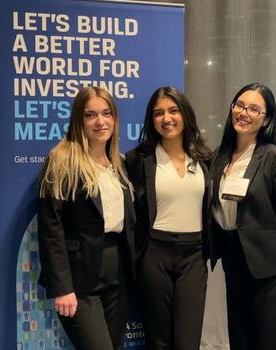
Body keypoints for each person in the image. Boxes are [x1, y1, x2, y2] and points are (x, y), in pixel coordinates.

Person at [38, 86, 135, 350]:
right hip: (78, 280)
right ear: (79, 120)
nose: (100, 121)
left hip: (118, 276)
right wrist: (62, 287)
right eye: (90, 115)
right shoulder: (61, 161)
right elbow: (50, 229)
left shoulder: (120, 164)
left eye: (106, 113)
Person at [210, 83, 276, 350]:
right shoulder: (219, 158)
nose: (244, 112)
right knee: (242, 340)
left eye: (254, 109)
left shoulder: (275, 158)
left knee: (275, 342)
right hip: (235, 263)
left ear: (266, 120)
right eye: (240, 105)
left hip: (271, 272)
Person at [125, 86, 212, 350]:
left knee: (188, 341)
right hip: (154, 255)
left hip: (194, 256)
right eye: (158, 113)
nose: (167, 118)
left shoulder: (205, 158)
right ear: (151, 120)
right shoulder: (137, 160)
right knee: (159, 341)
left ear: (185, 114)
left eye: (173, 110)